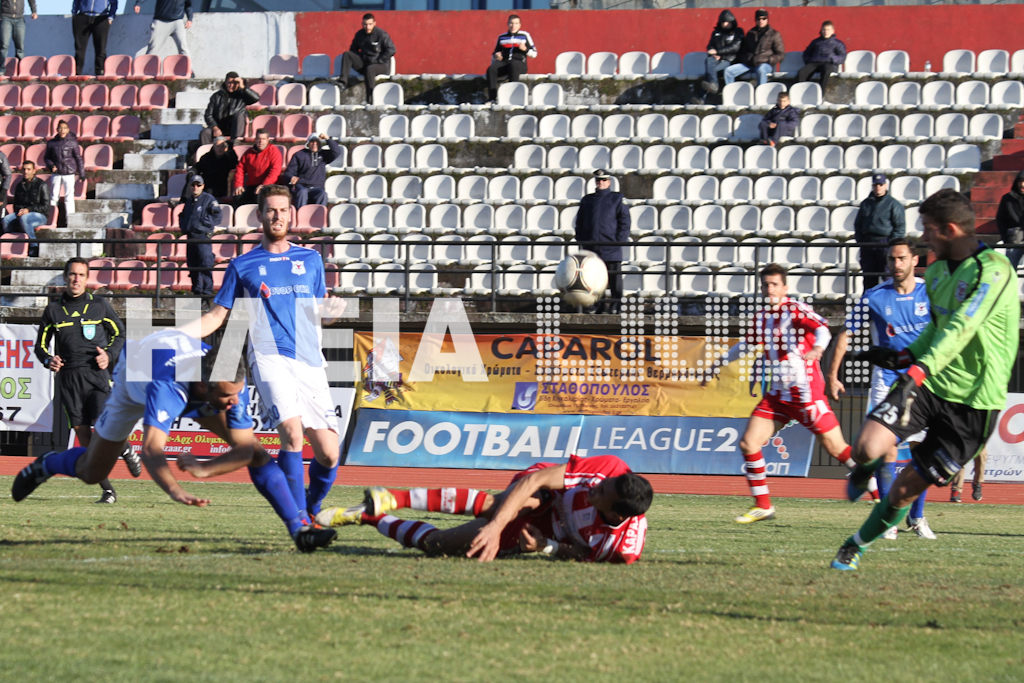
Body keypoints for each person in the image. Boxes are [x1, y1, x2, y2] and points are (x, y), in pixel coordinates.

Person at [14, 327, 337, 552]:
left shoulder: (223, 382)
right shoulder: (168, 388)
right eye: (227, 396)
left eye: (237, 394)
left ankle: (300, 530)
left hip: (176, 363)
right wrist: (175, 489)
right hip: (134, 379)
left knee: (256, 452)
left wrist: (205, 468)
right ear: (204, 387)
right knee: (92, 472)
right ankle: (47, 464)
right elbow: (152, 449)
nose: (235, 403)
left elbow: (244, 450)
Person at [833, 189, 1019, 570]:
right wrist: (904, 356)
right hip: (933, 384)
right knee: (866, 448)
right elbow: (936, 330)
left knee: (903, 491)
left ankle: (854, 546)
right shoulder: (934, 272)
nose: (924, 239)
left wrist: (916, 370)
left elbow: (962, 328)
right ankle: (866, 473)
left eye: (929, 231)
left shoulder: (994, 269)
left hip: (974, 401)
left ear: (950, 230)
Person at [192, 184, 341, 525]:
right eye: (271, 210)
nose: (277, 216)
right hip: (268, 356)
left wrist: (332, 311)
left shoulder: (311, 259)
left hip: (310, 361)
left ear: (292, 215)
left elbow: (320, 312)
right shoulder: (243, 265)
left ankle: (310, 507)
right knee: (291, 432)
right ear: (259, 215)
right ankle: (299, 521)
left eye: (283, 210)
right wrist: (174, 334)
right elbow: (217, 315)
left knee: (330, 455)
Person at [703, 263, 873, 524]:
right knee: (749, 443)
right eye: (765, 285)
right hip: (778, 394)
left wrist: (817, 349)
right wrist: (718, 362)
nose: (769, 289)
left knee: (837, 449)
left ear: (785, 287)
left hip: (806, 394)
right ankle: (763, 505)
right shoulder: (761, 317)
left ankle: (879, 494)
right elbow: (747, 345)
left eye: (774, 285)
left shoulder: (795, 309)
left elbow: (823, 329)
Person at [315, 455, 652, 564]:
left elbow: (581, 554)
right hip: (543, 495)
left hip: (549, 530)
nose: (595, 486)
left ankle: (371, 515)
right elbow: (537, 480)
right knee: (507, 506)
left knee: (439, 546)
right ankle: (394, 498)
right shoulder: (609, 469)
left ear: (617, 515)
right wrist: (495, 526)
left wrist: (545, 547)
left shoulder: (622, 549)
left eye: (601, 492)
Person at [828, 239, 936, 541]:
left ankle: (917, 518)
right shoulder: (874, 297)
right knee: (885, 449)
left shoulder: (930, 293)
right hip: (886, 381)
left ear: (915, 260)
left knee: (922, 452)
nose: (896, 264)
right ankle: (888, 520)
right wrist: (832, 375)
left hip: (922, 381)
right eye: (891, 259)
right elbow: (846, 334)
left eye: (902, 258)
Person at [33, 257, 140, 504]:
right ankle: (108, 490)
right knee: (84, 438)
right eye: (72, 274)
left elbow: (119, 333)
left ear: (87, 278)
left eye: (81, 275)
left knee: (104, 426)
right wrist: (49, 359)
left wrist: (109, 356)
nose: (76, 279)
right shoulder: (53, 310)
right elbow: (39, 346)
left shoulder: (99, 306)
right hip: (69, 379)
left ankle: (124, 448)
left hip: (96, 375)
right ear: (65, 277)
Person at [574, 169, 629, 314]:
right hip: (592, 248)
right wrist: (582, 239)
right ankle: (598, 306)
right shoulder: (587, 200)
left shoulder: (616, 199)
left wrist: (618, 241)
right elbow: (579, 222)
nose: (601, 183)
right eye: (598, 180)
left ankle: (617, 305)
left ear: (609, 182)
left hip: (611, 247)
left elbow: (624, 222)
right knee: (595, 280)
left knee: (614, 280)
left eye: (604, 180)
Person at [854, 173, 906, 289]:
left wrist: (891, 244)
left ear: (886, 185)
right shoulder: (865, 204)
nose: (878, 187)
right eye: (875, 185)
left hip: (885, 242)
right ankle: (867, 305)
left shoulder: (893, 204)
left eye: (880, 184)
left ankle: (889, 303)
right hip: (868, 243)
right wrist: (861, 241)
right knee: (868, 277)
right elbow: (858, 224)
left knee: (887, 276)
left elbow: (900, 227)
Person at [337, 13, 395, 104]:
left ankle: (370, 99)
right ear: (362, 24)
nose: (367, 27)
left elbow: (391, 50)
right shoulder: (359, 34)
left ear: (374, 23)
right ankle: (343, 82)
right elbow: (353, 49)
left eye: (370, 24)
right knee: (347, 54)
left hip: (381, 65)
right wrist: (362, 57)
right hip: (366, 63)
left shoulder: (381, 34)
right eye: (365, 24)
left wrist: (378, 60)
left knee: (370, 69)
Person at [179, 174, 220, 298]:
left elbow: (217, 215)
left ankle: (207, 294)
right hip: (190, 237)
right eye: (193, 185)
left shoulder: (208, 199)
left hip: (202, 237)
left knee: (205, 264)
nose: (195, 187)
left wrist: (206, 226)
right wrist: (183, 226)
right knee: (192, 265)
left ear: (203, 186)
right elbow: (183, 216)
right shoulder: (189, 200)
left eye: (198, 185)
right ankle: (196, 292)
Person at [723, 8, 783, 87]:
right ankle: (731, 95)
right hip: (749, 64)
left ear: (767, 19)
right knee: (728, 71)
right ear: (755, 20)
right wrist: (747, 58)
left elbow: (780, 54)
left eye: (763, 18)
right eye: (758, 19)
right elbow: (743, 50)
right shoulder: (750, 33)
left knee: (761, 70)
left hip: (765, 64)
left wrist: (768, 60)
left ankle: (761, 95)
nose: (761, 21)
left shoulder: (774, 34)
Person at [280, 133, 341, 208]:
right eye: (312, 142)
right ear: (308, 143)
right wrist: (291, 177)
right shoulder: (299, 155)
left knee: (322, 194)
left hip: (317, 187)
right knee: (302, 192)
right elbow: (288, 173)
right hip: (302, 186)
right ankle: (299, 215)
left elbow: (337, 152)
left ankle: (319, 217)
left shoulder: (324, 155)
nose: (315, 144)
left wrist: (327, 139)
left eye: (317, 142)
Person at [485, 14, 536, 102]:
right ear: (508, 24)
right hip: (505, 63)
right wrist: (496, 55)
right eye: (511, 23)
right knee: (491, 69)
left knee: (513, 65)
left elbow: (534, 53)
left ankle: (513, 97)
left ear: (520, 25)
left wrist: (525, 49)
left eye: (516, 23)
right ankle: (492, 98)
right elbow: (495, 53)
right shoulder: (502, 37)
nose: (513, 26)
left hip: (520, 64)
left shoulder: (525, 35)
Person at [200, 72, 259, 145]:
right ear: (225, 82)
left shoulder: (242, 95)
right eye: (229, 83)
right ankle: (206, 153)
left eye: (234, 83)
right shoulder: (216, 96)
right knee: (205, 132)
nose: (231, 85)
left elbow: (256, 98)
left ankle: (235, 144)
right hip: (219, 128)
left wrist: (243, 87)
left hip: (236, 128)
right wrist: (215, 128)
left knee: (240, 115)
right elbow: (208, 115)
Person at [2, 159, 47, 257]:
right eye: (24, 169)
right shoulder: (19, 185)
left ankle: (33, 246)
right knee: (6, 220)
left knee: (25, 218)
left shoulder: (42, 185)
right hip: (22, 213)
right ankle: (11, 244)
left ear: (34, 171)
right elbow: (16, 204)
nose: (26, 172)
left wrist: (28, 210)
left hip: (39, 215)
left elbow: (45, 206)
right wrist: (20, 211)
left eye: (28, 169)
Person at [44, 119, 85, 217]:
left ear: (68, 130)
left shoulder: (73, 143)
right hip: (56, 173)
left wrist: (82, 173)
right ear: (57, 129)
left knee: (69, 197)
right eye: (60, 128)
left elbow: (78, 158)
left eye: (64, 128)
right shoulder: (51, 143)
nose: (62, 130)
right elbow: (47, 157)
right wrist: (51, 165)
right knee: (54, 197)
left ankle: (70, 219)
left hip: (69, 172)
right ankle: (51, 218)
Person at [699, 9, 744, 99]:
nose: (724, 24)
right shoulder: (716, 33)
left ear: (732, 22)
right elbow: (710, 46)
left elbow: (735, 47)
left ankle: (701, 97)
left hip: (730, 59)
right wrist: (713, 53)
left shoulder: (738, 32)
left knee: (709, 72)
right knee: (709, 60)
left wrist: (718, 52)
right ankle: (713, 85)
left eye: (727, 22)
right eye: (723, 22)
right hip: (717, 59)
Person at [796, 20, 846, 96]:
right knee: (802, 72)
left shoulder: (838, 43)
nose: (826, 32)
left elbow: (842, 56)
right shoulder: (815, 42)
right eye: (824, 30)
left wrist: (833, 59)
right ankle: (801, 94)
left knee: (826, 72)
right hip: (815, 63)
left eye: (828, 30)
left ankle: (820, 95)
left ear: (832, 31)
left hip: (829, 63)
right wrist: (809, 60)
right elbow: (806, 53)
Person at [232, 129, 281, 206]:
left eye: (263, 139)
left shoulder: (274, 151)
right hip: (252, 185)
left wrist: (264, 185)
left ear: (268, 140)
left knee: (260, 197)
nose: (261, 141)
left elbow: (275, 171)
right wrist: (238, 185)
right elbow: (240, 168)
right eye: (258, 139)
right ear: (255, 139)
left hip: (269, 186)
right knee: (238, 196)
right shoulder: (248, 153)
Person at [71, 0, 116, 77]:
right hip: (83, 17)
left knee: (101, 48)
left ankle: (100, 73)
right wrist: (74, 13)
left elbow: (114, 3)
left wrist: (111, 17)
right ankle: (76, 73)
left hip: (101, 18)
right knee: (79, 49)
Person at [188, 135, 237, 202]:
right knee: (192, 179)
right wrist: (192, 172)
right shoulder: (207, 157)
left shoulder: (228, 157)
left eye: (222, 146)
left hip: (222, 185)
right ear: (214, 147)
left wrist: (230, 148)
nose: (220, 149)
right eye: (218, 146)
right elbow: (197, 167)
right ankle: (185, 201)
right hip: (208, 184)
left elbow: (234, 164)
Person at [995, 169, 1024, 269]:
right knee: (1011, 269)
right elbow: (1000, 219)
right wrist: (1006, 238)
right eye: (1020, 182)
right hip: (1014, 240)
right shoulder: (1007, 199)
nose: (1022, 185)